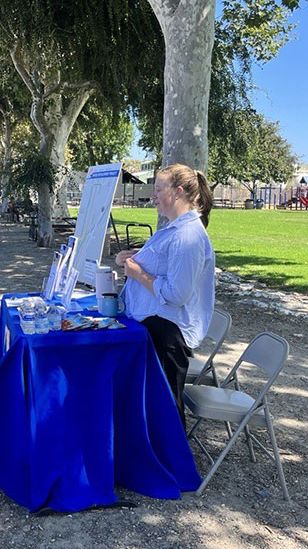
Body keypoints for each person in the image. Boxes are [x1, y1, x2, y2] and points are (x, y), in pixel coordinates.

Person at [115, 164, 215, 426]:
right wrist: (127, 261)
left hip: (167, 334)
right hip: (155, 327)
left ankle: (173, 465)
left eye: (159, 189)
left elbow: (176, 294)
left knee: (165, 408)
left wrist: (138, 275)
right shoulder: (173, 229)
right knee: (154, 405)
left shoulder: (187, 236)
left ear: (177, 192)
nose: (154, 195)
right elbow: (158, 267)